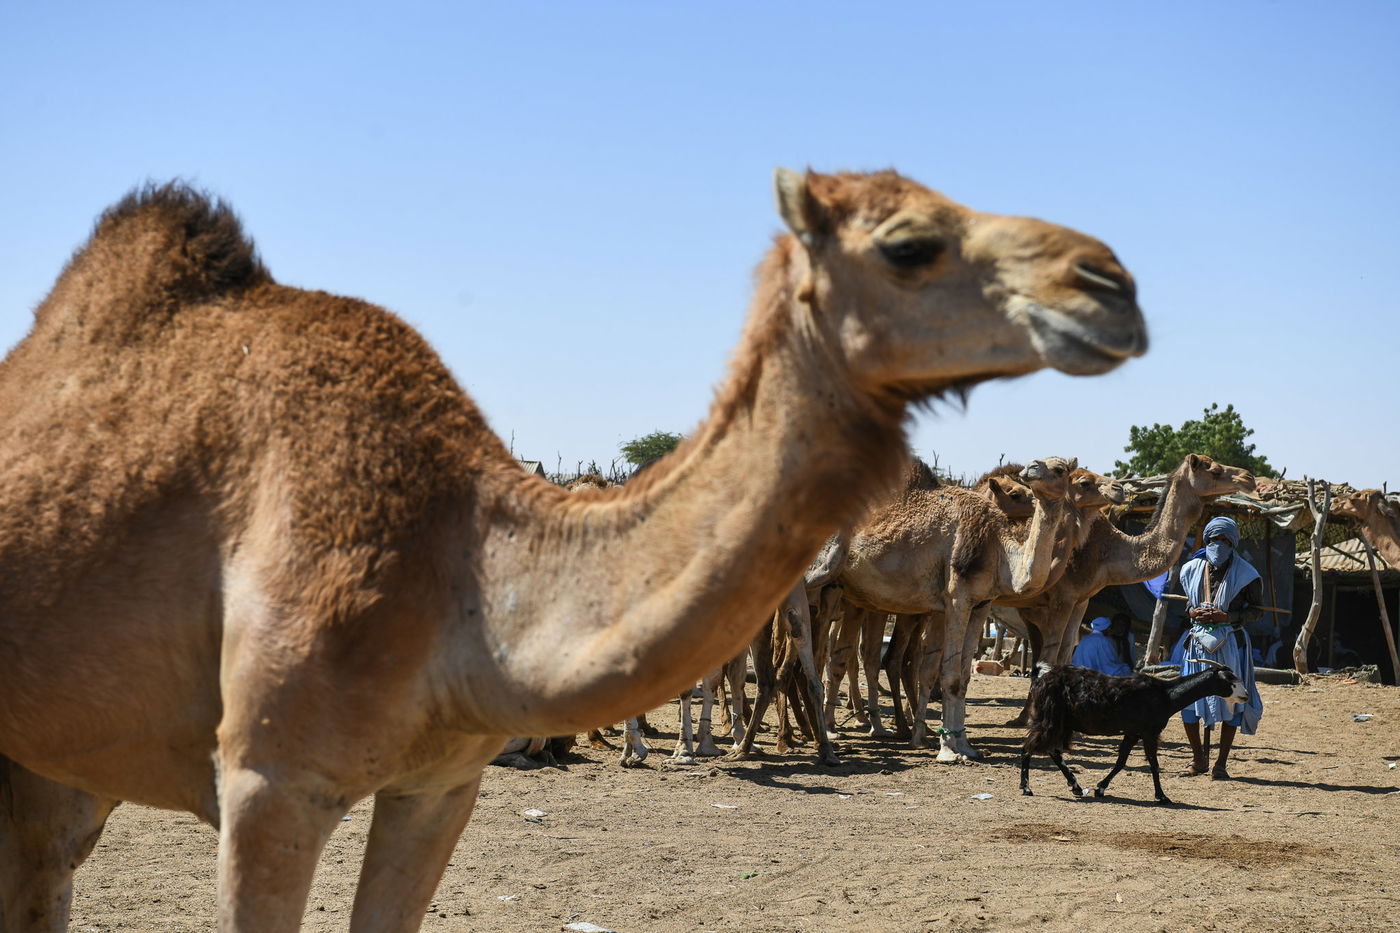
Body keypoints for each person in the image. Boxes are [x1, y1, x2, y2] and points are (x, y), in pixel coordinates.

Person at [1168, 515, 1264, 779]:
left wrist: (1228, 617)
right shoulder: (1191, 569)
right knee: (1188, 701)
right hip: (1197, 643)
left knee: (1232, 700)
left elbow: (1257, 611)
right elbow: (1187, 604)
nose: (1218, 545)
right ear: (1206, 540)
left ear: (1232, 542)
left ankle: (1221, 764)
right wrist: (1194, 612)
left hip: (1231, 643)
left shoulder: (1247, 575)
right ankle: (1198, 759)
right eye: (1213, 539)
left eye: (1223, 540)